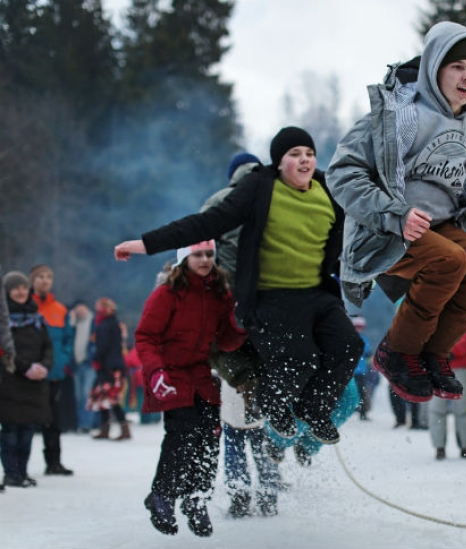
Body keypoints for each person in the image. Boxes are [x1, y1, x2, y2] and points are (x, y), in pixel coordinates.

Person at [326, 21, 466, 404]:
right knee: (450, 259)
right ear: (434, 67)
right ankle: (397, 352)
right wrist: (395, 214)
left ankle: (433, 355)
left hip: (442, 225)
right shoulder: (397, 113)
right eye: (457, 66)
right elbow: (342, 173)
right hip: (385, 230)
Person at [114, 127, 364, 446]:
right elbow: (206, 224)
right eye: (294, 155)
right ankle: (271, 403)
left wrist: (363, 272)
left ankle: (314, 409)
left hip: (316, 293)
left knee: (348, 346)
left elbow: (351, 234)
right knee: (301, 358)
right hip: (270, 296)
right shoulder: (259, 189)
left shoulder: (329, 190)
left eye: (310, 154)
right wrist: (144, 244)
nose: (304, 161)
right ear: (277, 163)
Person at [136, 240, 246, 537]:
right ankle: (162, 495)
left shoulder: (218, 294)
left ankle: (197, 498)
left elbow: (224, 340)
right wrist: (155, 371)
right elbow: (145, 337)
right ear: (185, 259)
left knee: (210, 439)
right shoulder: (166, 294)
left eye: (209, 254)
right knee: (182, 434)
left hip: (200, 375)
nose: (205, 259)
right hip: (170, 375)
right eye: (198, 254)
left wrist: (241, 328)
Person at [0, 271, 52, 488]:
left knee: (28, 431)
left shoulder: (37, 318)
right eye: (15, 288)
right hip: (11, 380)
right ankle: (11, 473)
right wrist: (26, 367)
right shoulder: (4, 320)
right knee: (11, 431)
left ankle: (22, 471)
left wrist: (44, 366)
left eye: (24, 287)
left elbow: (48, 346)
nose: (21, 292)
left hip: (35, 382)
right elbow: (6, 348)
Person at [29, 264, 75, 476]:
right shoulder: (26, 306)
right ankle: (19, 467)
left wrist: (63, 360)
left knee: (54, 420)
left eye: (48, 276)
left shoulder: (60, 310)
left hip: (55, 372)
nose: (44, 280)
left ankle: (54, 462)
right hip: (28, 373)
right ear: (32, 280)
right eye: (40, 277)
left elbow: (68, 339)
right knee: (26, 420)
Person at [221, 379, 280, 518]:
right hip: (259, 404)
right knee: (265, 452)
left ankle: (239, 496)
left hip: (234, 404)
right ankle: (268, 496)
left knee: (234, 451)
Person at [429, 318, 466, 460]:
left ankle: (465, 445)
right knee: (437, 408)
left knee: (462, 408)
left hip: (458, 364)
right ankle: (439, 446)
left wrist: (447, 350)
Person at [87, 297, 130, 441]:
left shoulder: (105, 325)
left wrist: (95, 357)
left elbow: (103, 347)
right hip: (111, 365)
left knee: (110, 398)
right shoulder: (113, 324)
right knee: (104, 397)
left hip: (109, 367)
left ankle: (122, 429)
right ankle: (106, 428)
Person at [68, 300, 97, 433]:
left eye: (81, 307)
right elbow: (69, 339)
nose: (80, 310)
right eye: (77, 308)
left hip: (89, 363)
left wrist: (93, 356)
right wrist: (72, 323)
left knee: (87, 394)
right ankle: (81, 423)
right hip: (76, 363)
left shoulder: (94, 322)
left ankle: (88, 423)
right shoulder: (73, 324)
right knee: (78, 396)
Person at [351, 315, 376, 421]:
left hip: (361, 370)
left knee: (362, 391)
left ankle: (363, 412)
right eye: (357, 326)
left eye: (360, 326)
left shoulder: (364, 340)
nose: (359, 329)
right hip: (350, 371)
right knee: (351, 391)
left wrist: (373, 364)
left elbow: (368, 355)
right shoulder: (349, 338)